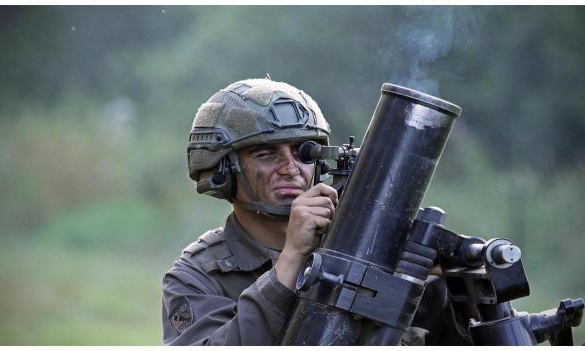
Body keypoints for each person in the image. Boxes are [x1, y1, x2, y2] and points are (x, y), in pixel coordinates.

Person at [162, 78, 464, 346]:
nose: (291, 169)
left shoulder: (366, 248)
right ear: (223, 170)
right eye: (266, 154)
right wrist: (292, 257)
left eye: (304, 152)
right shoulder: (199, 275)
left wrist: (453, 287)